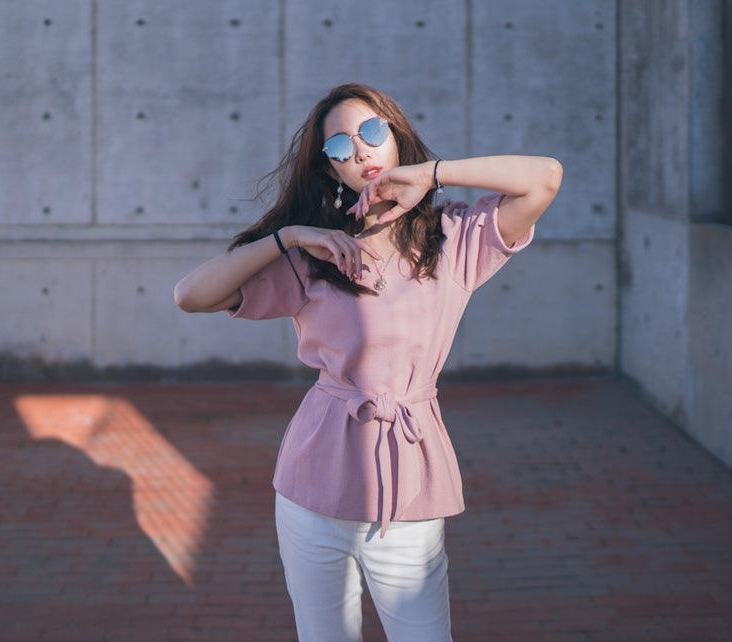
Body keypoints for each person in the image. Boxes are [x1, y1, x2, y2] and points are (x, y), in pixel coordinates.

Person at [174, 83, 562, 641]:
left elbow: (545, 176)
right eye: (338, 148)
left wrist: (432, 175)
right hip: (312, 486)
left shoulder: (453, 238)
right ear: (332, 172)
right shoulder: (315, 257)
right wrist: (288, 238)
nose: (359, 151)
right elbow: (191, 295)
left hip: (410, 483)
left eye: (372, 132)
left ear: (396, 139)